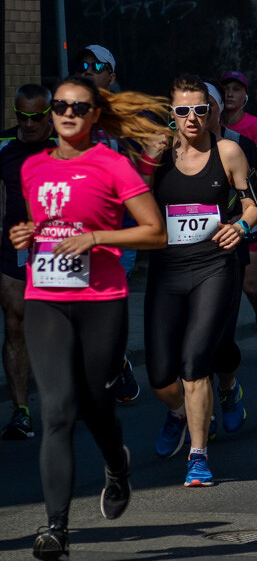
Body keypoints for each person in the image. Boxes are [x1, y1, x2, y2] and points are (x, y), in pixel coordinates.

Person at [14, 76, 169, 559]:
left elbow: (155, 233)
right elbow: (42, 226)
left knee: (97, 405)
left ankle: (116, 465)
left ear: (95, 114)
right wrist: (28, 233)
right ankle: (55, 528)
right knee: (57, 410)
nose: (67, 113)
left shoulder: (112, 164)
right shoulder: (32, 168)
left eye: (79, 107)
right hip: (46, 300)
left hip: (102, 300)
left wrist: (98, 238)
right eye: (60, 105)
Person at [144, 75, 257, 487]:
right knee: (160, 376)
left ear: (210, 111)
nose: (192, 118)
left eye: (200, 109)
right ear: (171, 115)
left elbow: (252, 207)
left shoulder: (228, 151)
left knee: (195, 363)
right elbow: (131, 198)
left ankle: (197, 456)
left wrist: (242, 228)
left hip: (214, 267)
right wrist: (146, 161)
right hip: (166, 271)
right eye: (182, 111)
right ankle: (178, 412)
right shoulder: (157, 154)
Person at [73, 44, 141, 404]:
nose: (87, 70)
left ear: (111, 76)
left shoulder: (127, 116)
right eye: (82, 65)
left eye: (96, 65)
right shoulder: (68, 111)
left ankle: (114, 361)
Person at [204, 83, 257, 435]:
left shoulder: (238, 144)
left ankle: (228, 388)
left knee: (222, 337)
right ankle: (203, 414)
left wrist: (243, 222)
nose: (199, 115)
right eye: (187, 108)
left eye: (207, 106)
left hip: (229, 244)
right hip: (186, 253)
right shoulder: (175, 150)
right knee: (193, 340)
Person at [0, 85, 55, 440]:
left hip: (61, 246)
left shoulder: (67, 144)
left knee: (59, 326)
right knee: (15, 324)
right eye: (23, 116)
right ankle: (21, 410)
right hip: (16, 245)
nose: (30, 123)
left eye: (37, 116)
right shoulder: (4, 145)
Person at [219, 70, 257, 358]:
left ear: (246, 96)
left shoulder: (254, 126)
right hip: (219, 216)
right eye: (226, 88)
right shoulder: (208, 126)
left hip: (250, 210)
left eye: (236, 89)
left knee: (248, 284)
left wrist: (239, 150)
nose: (230, 93)